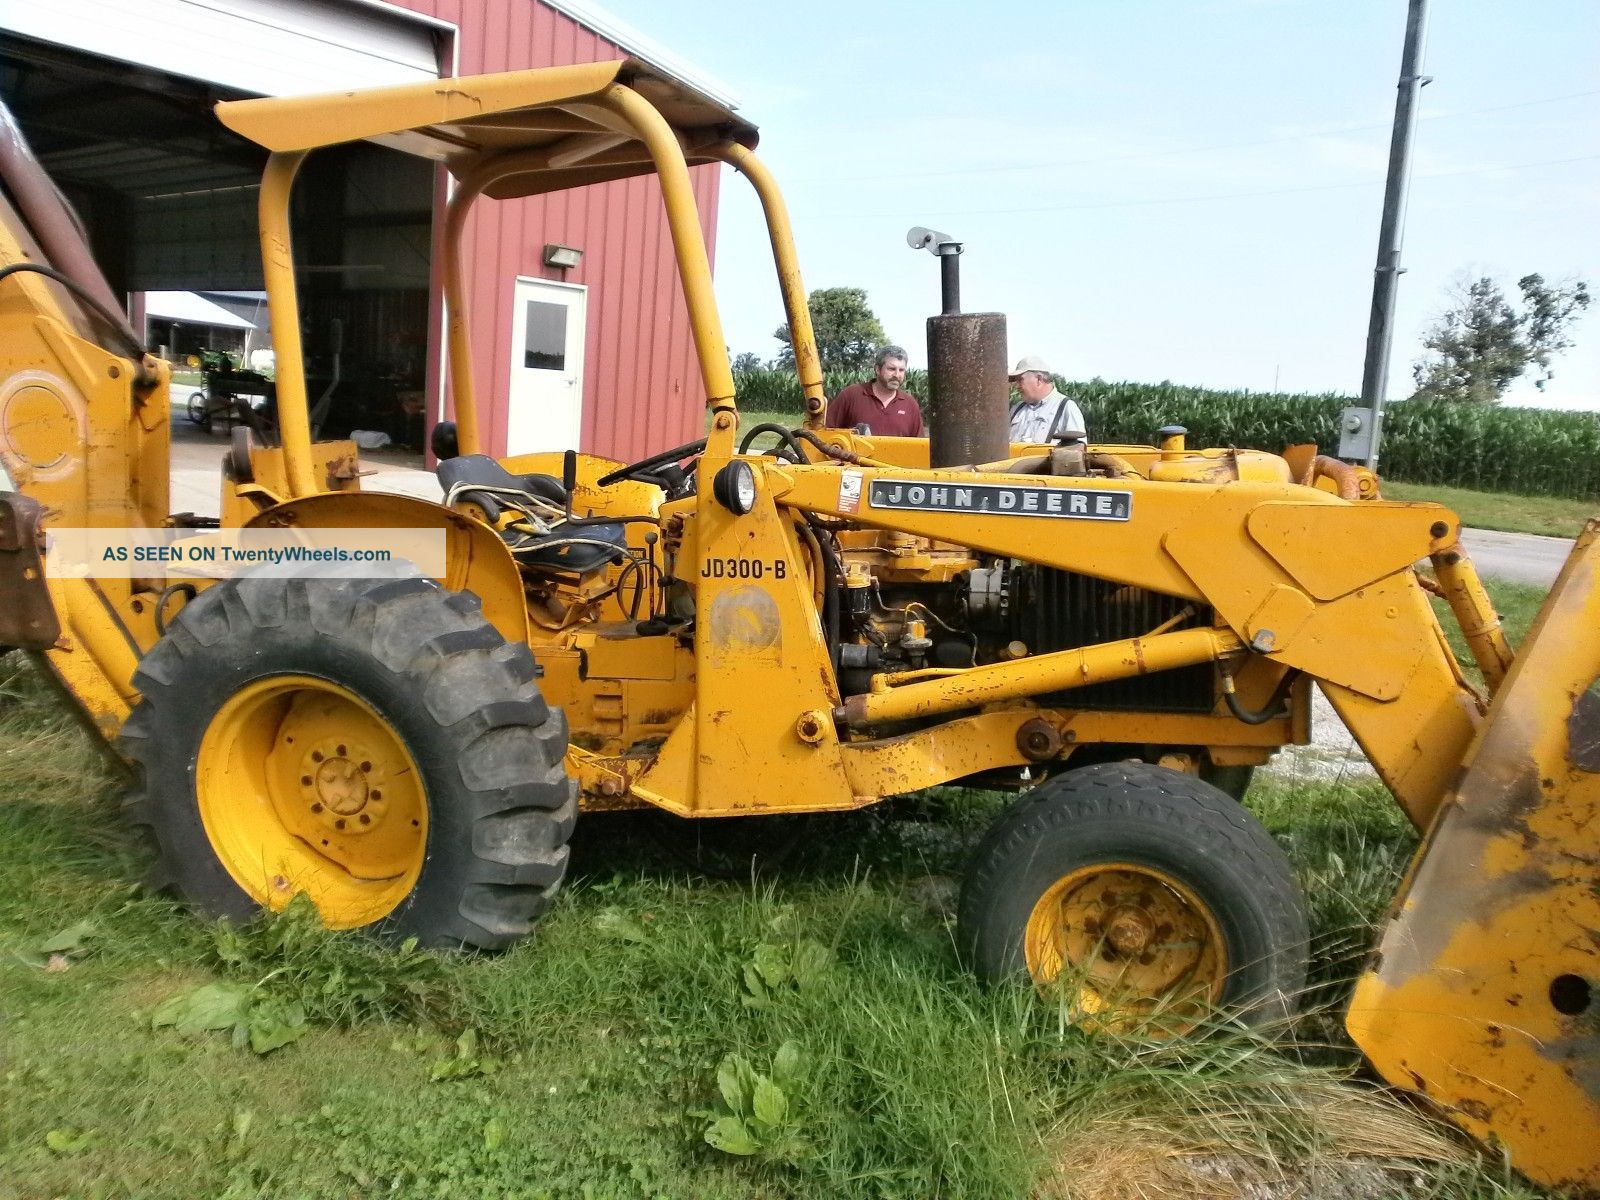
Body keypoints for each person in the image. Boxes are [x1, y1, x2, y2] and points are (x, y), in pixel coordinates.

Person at [825, 346, 924, 436]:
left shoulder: (910, 405)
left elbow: (920, 447)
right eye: (891, 369)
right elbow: (826, 432)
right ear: (877, 369)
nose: (897, 375)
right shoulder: (851, 396)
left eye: (901, 370)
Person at [1008, 355, 1088, 444]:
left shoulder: (1066, 407)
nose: (1017, 386)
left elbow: (1078, 449)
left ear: (1038, 379)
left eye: (1020, 380)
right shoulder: (1016, 409)